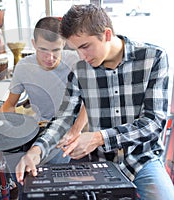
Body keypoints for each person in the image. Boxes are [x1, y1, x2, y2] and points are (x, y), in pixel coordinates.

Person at [15, 4, 174, 200]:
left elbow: (153, 123)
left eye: (85, 47)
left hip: (142, 160)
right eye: (75, 49)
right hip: (97, 164)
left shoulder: (154, 58)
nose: (81, 57)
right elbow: (63, 118)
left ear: (107, 35)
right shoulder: (81, 68)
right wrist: (36, 150)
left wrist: (98, 138)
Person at [0, 16, 88, 163]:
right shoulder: (23, 67)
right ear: (34, 44)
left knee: (55, 163)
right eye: (43, 50)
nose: (50, 57)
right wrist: (12, 127)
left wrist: (74, 131)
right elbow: (9, 105)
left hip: (76, 125)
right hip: (43, 127)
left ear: (64, 43)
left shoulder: (75, 61)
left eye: (56, 50)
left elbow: (90, 101)